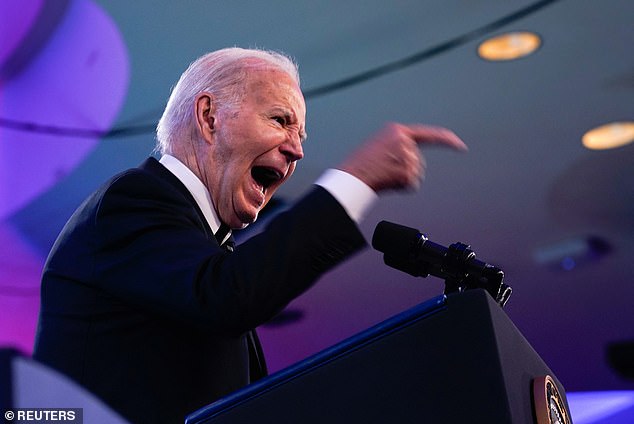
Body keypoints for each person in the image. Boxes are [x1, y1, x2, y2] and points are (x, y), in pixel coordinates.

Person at [33, 47, 467, 423]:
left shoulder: (208, 249)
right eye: (281, 120)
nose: (297, 150)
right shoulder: (131, 202)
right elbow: (227, 295)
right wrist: (358, 178)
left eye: (300, 135)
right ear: (208, 117)